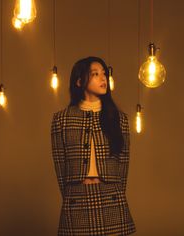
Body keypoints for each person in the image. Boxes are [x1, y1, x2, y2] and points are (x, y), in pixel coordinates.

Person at [51, 56, 136, 235]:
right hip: (76, 199)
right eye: (95, 74)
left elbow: (123, 165)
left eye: (104, 74)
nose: (103, 78)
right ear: (80, 81)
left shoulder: (119, 119)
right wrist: (71, 194)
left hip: (111, 198)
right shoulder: (61, 119)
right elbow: (61, 166)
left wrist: (116, 191)